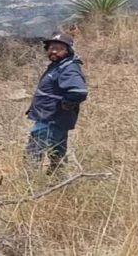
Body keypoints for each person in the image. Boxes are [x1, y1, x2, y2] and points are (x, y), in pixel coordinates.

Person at [25, 32, 89, 175]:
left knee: (33, 153)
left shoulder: (68, 69)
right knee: (57, 154)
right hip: (54, 118)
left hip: (51, 119)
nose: (53, 51)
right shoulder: (59, 65)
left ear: (68, 50)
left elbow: (79, 91)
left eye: (59, 48)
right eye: (51, 47)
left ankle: (31, 184)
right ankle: (57, 181)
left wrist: (67, 104)